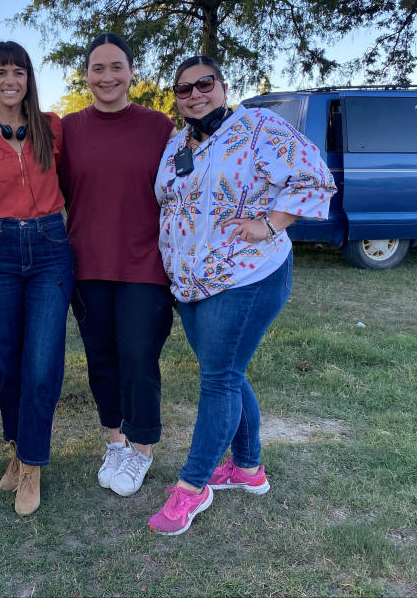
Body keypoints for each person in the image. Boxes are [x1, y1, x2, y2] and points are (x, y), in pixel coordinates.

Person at [147, 55, 335, 536]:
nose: (195, 95)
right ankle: (248, 469)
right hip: (190, 282)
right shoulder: (176, 145)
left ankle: (193, 487)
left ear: (223, 85)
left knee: (220, 378)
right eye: (184, 89)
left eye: (203, 84)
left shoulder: (258, 127)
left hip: (246, 275)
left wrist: (269, 223)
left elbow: (314, 176)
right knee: (226, 372)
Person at [0, 41, 72, 515]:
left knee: (42, 361)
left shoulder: (52, 127)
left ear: (28, 79)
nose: (9, 80)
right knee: (6, 360)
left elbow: (78, 181)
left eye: (17, 72)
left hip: (50, 249)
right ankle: (16, 451)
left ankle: (32, 466)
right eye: (0, 72)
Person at [60, 33, 177, 498]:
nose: (106, 77)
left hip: (144, 263)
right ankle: (115, 441)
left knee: (139, 358)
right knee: (101, 359)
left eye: (116, 67)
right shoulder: (69, 128)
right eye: (97, 68)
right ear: (86, 74)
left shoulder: (157, 126)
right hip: (87, 262)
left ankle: (142, 450)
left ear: (132, 72)